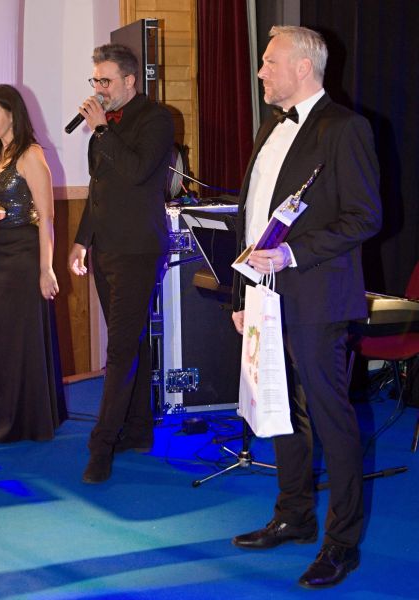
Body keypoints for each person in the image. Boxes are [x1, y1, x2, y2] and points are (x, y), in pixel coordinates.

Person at [231, 26, 381, 589]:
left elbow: (365, 217)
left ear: (302, 67)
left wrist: (292, 254)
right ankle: (293, 515)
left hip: (317, 295)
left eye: (270, 62)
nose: (261, 71)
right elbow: (253, 217)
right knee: (278, 408)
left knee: (329, 416)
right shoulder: (270, 128)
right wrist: (242, 294)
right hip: (264, 295)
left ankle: (342, 543)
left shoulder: (345, 128)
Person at [68, 44, 174, 484]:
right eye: (95, 80)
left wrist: (100, 130)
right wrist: (81, 241)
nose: (99, 88)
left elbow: (136, 171)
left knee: (119, 349)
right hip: (106, 248)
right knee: (130, 342)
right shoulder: (108, 125)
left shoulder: (157, 119)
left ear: (130, 80)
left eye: (106, 80)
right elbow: (101, 187)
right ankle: (138, 429)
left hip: (138, 250)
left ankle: (102, 446)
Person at [0, 84, 67, 442]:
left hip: (22, 256)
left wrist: (46, 268)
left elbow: (46, 217)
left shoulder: (30, 154)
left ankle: (22, 420)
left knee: (18, 338)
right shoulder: (0, 153)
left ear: (13, 114)